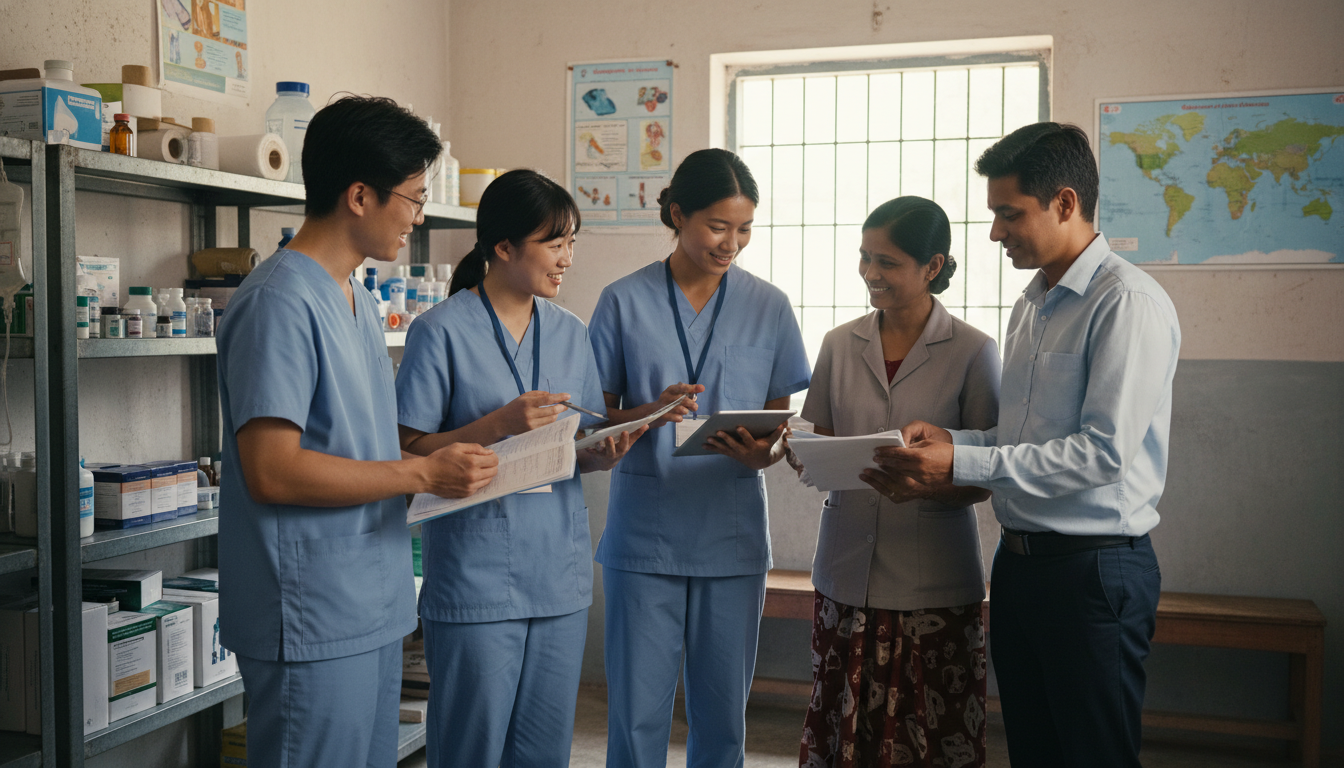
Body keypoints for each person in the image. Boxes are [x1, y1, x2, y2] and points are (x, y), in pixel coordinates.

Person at [880, 123, 1181, 767]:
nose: (994, 233)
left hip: (1095, 571)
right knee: (1036, 750)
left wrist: (962, 459)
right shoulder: (1033, 304)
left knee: (1092, 752)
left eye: (1008, 214)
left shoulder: (1126, 302)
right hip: (1020, 566)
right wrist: (954, 439)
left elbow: (1101, 454)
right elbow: (1021, 439)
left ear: (1065, 203)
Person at [216, 96, 499, 768]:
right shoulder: (278, 302)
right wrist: (423, 474)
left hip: (371, 599)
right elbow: (273, 470)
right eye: (413, 198)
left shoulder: (357, 299)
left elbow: (364, 444)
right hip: (309, 609)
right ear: (360, 196)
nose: (420, 215)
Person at [396, 169, 644, 768]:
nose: (567, 259)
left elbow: (571, 443)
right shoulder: (441, 331)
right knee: (471, 750)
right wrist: (497, 424)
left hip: (556, 576)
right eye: (554, 243)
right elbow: (406, 450)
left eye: (572, 243)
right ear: (503, 247)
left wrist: (597, 453)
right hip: (477, 578)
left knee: (542, 753)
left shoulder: (570, 331)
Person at [589, 148, 813, 768]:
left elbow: (777, 426)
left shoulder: (768, 305)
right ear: (677, 213)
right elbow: (594, 422)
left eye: (744, 229)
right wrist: (647, 414)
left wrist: (761, 454)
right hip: (645, 537)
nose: (731, 243)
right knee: (636, 716)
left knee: (721, 718)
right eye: (718, 226)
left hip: (730, 535)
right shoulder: (621, 301)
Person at [794, 196, 1001, 768]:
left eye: (886, 262)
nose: (870, 273)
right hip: (844, 572)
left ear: (932, 266)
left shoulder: (974, 351)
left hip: (931, 582)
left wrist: (929, 482)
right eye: (864, 258)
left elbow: (984, 475)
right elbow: (820, 440)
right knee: (843, 734)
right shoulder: (839, 343)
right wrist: (802, 455)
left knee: (927, 738)